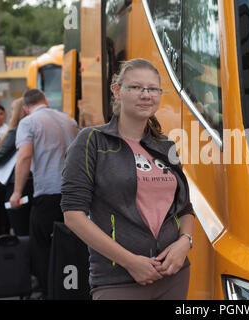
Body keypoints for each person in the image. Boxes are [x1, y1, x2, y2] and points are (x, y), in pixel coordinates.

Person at [61, 58, 195, 300]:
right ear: (117, 90)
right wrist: (131, 262)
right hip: (118, 280)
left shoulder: (165, 146)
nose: (146, 95)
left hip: (174, 275)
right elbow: (73, 216)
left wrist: (185, 242)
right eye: (136, 87)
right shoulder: (92, 141)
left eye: (153, 89)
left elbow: (184, 207)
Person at [9, 89, 78, 297]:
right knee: (70, 245)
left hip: (47, 193)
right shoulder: (70, 120)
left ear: (25, 108)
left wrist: (16, 192)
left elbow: (24, 157)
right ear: (45, 100)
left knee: (42, 246)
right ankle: (71, 290)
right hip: (74, 195)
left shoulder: (28, 123)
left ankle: (50, 291)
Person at [0, 98, 33, 236]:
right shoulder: (32, 128)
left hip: (16, 184)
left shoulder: (15, 131)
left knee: (19, 226)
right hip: (31, 183)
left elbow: (1, 156)